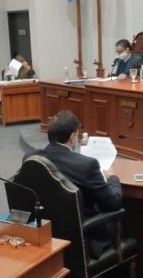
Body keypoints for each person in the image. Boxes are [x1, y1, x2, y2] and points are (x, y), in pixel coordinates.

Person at [23, 110, 122, 258]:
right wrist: (112, 178)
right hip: (82, 241)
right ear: (73, 137)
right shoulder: (86, 165)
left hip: (46, 235)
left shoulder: (32, 158)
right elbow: (113, 203)